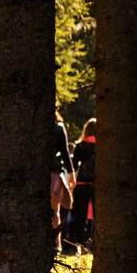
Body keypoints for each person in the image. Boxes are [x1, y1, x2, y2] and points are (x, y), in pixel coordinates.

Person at [66, 118, 96, 252]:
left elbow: (74, 165)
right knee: (96, 216)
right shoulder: (104, 146)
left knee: (80, 217)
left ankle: (79, 244)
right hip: (98, 186)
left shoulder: (80, 146)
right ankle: (94, 243)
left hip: (82, 184)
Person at [49, 107, 75, 259]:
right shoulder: (59, 129)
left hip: (36, 173)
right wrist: (71, 174)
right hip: (54, 173)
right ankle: (55, 244)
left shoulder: (32, 127)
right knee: (55, 209)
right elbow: (65, 152)